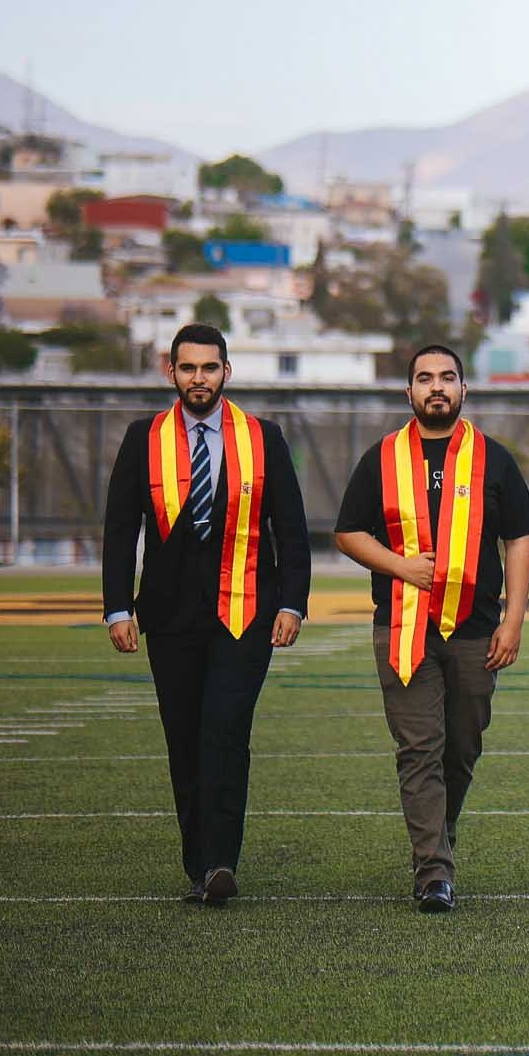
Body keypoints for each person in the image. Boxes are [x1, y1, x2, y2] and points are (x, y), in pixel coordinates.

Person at [99, 324, 309, 906]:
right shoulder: (143, 439)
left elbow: (290, 528)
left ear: (226, 372)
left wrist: (292, 601)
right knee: (183, 737)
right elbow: (120, 532)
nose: (199, 378)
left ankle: (221, 862)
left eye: (209, 368)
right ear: (171, 373)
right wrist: (119, 606)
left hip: (245, 612)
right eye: (188, 368)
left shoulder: (263, 437)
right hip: (168, 618)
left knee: (225, 729)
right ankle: (199, 863)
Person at [331, 344, 529, 912]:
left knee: (461, 748)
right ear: (410, 393)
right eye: (425, 378)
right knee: (419, 749)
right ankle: (434, 872)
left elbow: (518, 538)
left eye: (448, 377)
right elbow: (348, 532)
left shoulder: (493, 459)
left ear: (464, 390)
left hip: (476, 630)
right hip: (402, 628)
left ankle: (436, 837)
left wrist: (514, 619)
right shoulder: (382, 459)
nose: (437, 387)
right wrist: (400, 567)